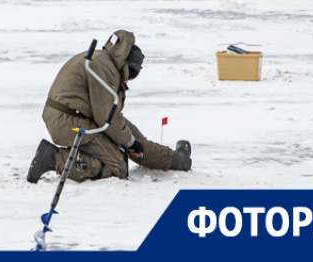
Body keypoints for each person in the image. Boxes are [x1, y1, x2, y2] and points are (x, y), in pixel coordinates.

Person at [27, 30, 191, 183]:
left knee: (129, 135)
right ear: (129, 68)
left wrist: (132, 142)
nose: (128, 82)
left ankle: (174, 159)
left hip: (78, 115)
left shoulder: (104, 61)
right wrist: (130, 143)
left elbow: (113, 119)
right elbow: (106, 118)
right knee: (117, 166)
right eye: (130, 78)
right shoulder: (104, 67)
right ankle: (54, 158)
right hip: (69, 121)